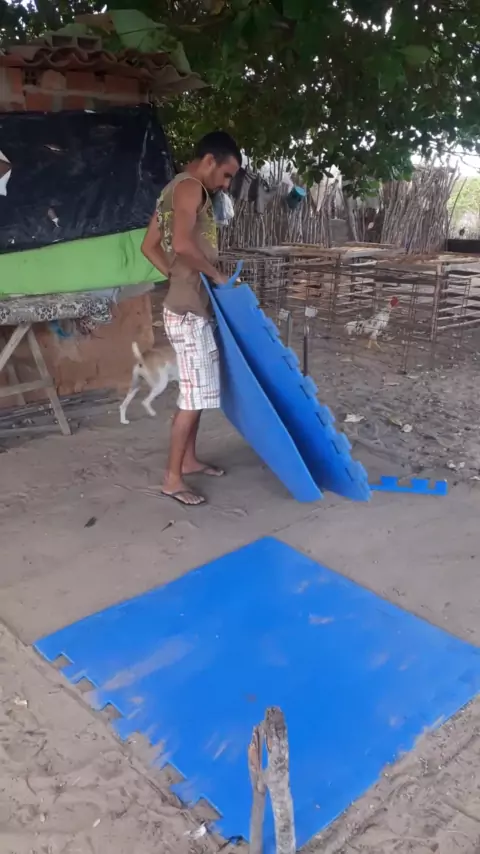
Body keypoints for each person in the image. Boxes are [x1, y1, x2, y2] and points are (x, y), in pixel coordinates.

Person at [141, 131, 241, 506]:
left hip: (184, 305)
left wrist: (175, 276)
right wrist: (214, 275)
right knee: (192, 397)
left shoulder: (171, 190)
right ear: (209, 160)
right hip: (188, 312)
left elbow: (149, 246)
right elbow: (182, 244)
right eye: (226, 174)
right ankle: (172, 479)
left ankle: (189, 460)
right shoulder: (191, 188)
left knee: (197, 392)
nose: (226, 184)